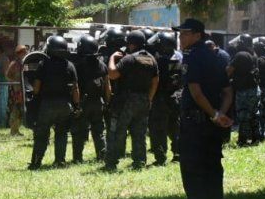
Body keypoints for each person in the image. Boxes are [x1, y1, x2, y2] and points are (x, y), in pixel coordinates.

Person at [174, 18, 233, 199]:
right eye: (180, 34)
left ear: (197, 35)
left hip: (195, 125)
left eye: (185, 34)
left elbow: (196, 93)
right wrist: (219, 114)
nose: (181, 38)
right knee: (213, 169)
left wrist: (214, 114)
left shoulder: (192, 56)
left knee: (192, 171)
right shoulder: (217, 57)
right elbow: (228, 92)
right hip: (212, 126)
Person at [104, 29, 159, 171]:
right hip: (143, 100)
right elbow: (155, 81)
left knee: (117, 131)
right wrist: (149, 98)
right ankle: (139, 162)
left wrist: (112, 58)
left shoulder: (129, 59)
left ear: (131, 43)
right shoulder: (151, 59)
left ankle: (111, 163)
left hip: (126, 101)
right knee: (139, 133)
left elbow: (112, 74)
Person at [27, 36, 79, 169]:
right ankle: (60, 161)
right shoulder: (70, 65)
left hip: (47, 105)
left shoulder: (44, 64)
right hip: (65, 105)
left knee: (42, 134)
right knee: (61, 134)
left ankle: (36, 162)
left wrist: (35, 99)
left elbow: (36, 87)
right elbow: (75, 89)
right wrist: (76, 105)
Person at [71, 34, 109, 164]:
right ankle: (102, 156)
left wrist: (76, 105)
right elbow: (107, 86)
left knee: (79, 132)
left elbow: (75, 86)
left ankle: (77, 158)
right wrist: (106, 102)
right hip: (98, 102)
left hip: (83, 102)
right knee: (99, 131)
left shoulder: (77, 65)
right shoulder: (102, 65)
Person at [148, 31, 183, 165]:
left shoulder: (159, 60)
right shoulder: (179, 56)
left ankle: (160, 157)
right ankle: (178, 153)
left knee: (158, 128)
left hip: (161, 97)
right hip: (176, 96)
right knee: (175, 126)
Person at [227, 34, 261, 147]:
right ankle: (256, 138)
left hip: (244, 90)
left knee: (243, 115)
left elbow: (229, 71)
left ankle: (243, 140)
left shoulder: (240, 55)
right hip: (254, 89)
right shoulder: (254, 54)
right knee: (254, 114)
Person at [5, 45, 27, 135]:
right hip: (16, 91)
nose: (25, 54)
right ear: (19, 53)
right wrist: (14, 83)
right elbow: (8, 76)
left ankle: (17, 130)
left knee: (21, 110)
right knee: (15, 110)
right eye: (23, 52)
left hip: (22, 90)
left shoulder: (24, 64)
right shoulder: (14, 64)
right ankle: (13, 130)